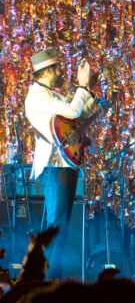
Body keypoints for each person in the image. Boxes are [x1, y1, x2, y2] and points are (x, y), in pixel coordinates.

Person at [24, 48, 100, 278]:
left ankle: (50, 276)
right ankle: (44, 279)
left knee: (60, 226)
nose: (61, 72)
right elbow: (72, 109)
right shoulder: (38, 95)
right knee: (56, 226)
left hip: (65, 163)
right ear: (46, 71)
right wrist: (81, 86)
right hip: (55, 166)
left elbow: (75, 118)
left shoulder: (51, 94)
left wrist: (88, 89)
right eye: (57, 68)